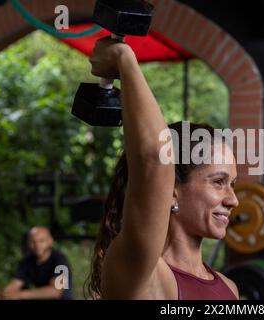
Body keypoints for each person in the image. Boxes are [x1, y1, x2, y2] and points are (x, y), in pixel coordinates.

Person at [85, 37, 239, 300]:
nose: (233, 200)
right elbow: (155, 158)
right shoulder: (143, 275)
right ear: (172, 190)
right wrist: (124, 58)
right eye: (218, 182)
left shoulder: (229, 287)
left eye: (232, 184)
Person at [0, 226, 73, 300]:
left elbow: (56, 291)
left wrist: (20, 295)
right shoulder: (26, 262)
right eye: (33, 242)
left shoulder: (60, 260)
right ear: (28, 243)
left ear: (50, 241)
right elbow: (15, 284)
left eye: (41, 241)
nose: (37, 245)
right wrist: (6, 293)